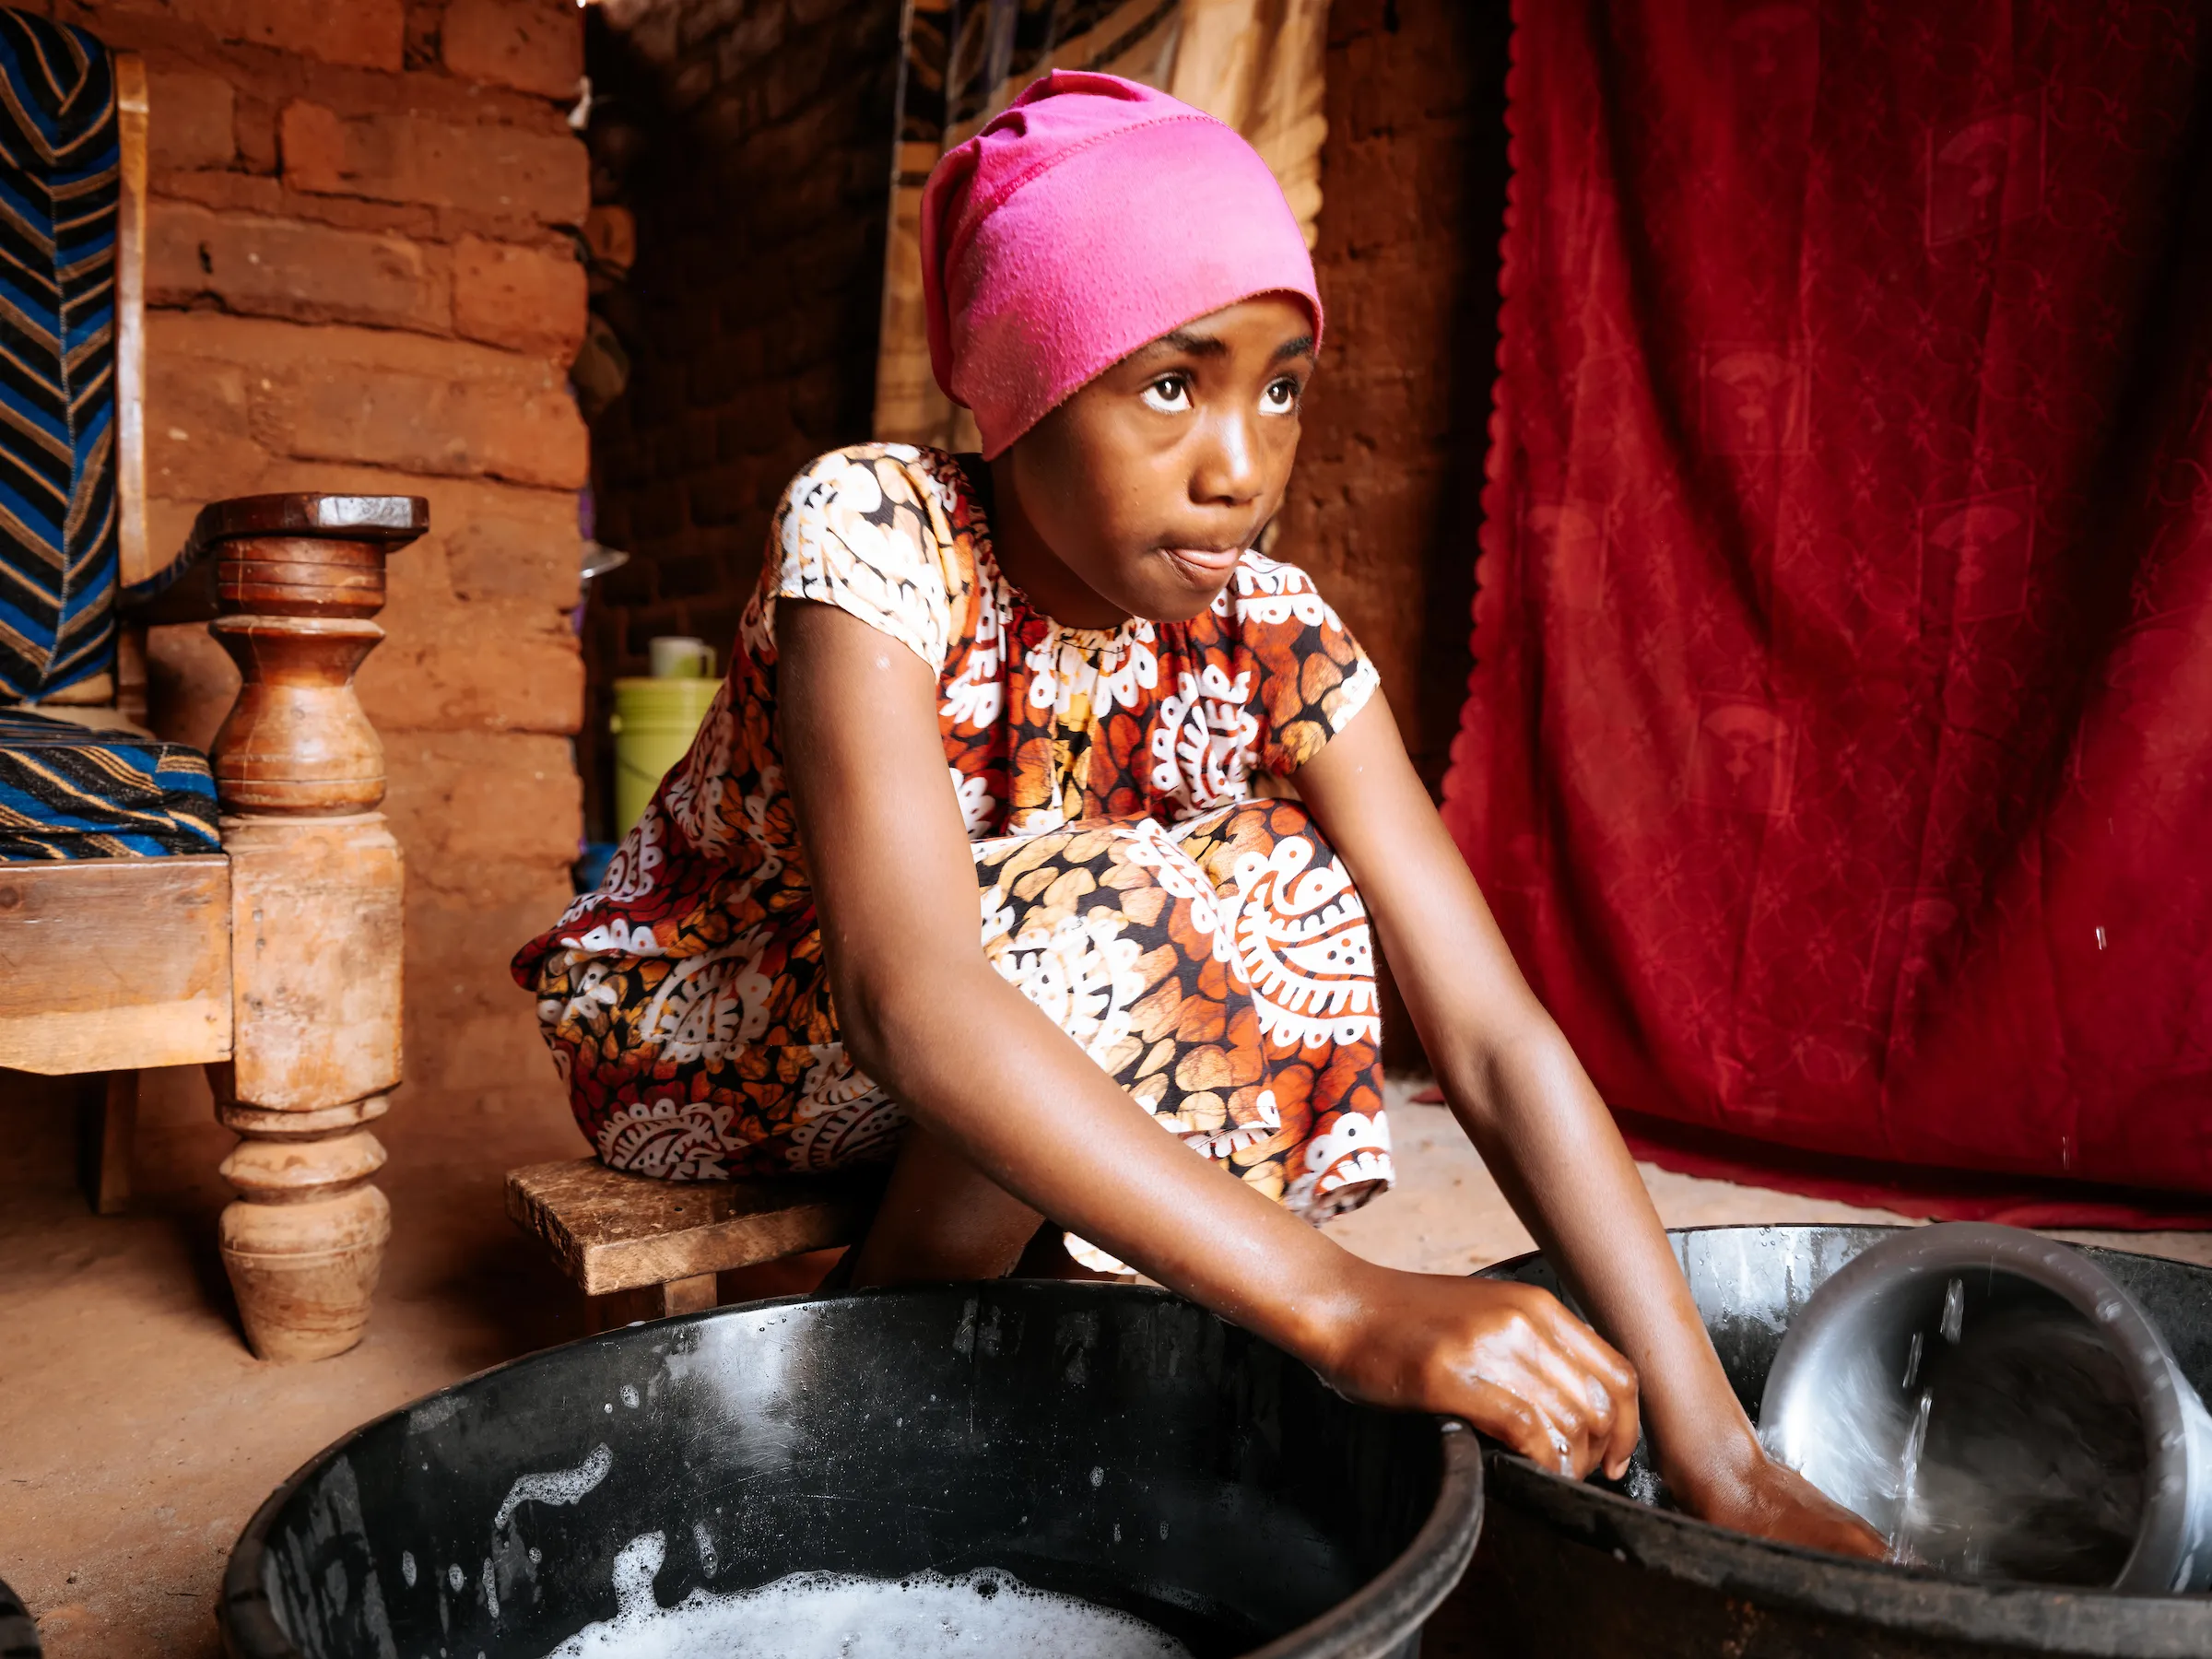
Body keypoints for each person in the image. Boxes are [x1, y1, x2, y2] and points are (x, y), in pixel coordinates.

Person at [515, 70, 1881, 1557]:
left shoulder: (1276, 630)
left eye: (1280, 385)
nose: (1240, 470)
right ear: (1028, 376)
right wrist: (1346, 1306)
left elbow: (1489, 1032)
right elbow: (903, 994)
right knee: (1123, 910)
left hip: (985, 1020)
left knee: (1291, 886)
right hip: (720, 1015)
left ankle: (968, 1303)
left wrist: (1718, 1450)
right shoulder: (877, 527)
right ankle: (866, 1384)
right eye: (1174, 382)